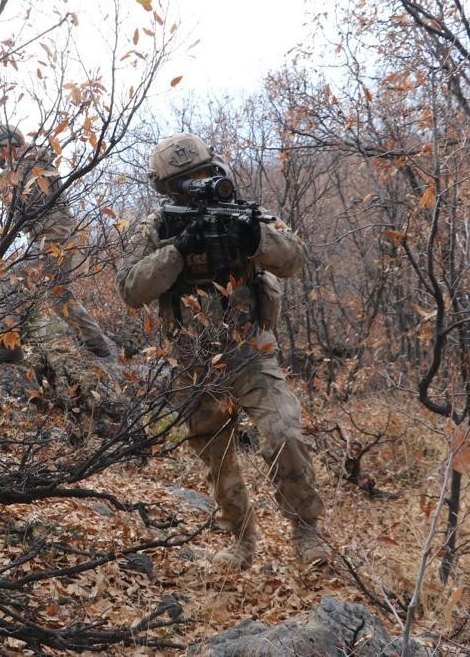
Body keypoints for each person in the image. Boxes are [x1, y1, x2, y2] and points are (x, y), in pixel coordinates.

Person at [115, 133, 329, 570]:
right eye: (183, 183)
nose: (196, 187)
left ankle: (307, 532)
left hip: (250, 352)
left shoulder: (245, 215)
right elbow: (131, 290)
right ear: (167, 190)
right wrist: (178, 249)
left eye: (202, 176)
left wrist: (255, 240)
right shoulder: (159, 227)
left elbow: (295, 259)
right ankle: (240, 541)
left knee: (284, 434)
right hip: (192, 363)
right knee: (216, 454)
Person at [0, 123, 112, 367]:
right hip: (56, 236)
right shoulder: (29, 164)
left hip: (53, 238)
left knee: (9, 281)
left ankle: (10, 348)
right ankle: (99, 345)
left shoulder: (27, 165)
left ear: (11, 145)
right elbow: (6, 190)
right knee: (59, 295)